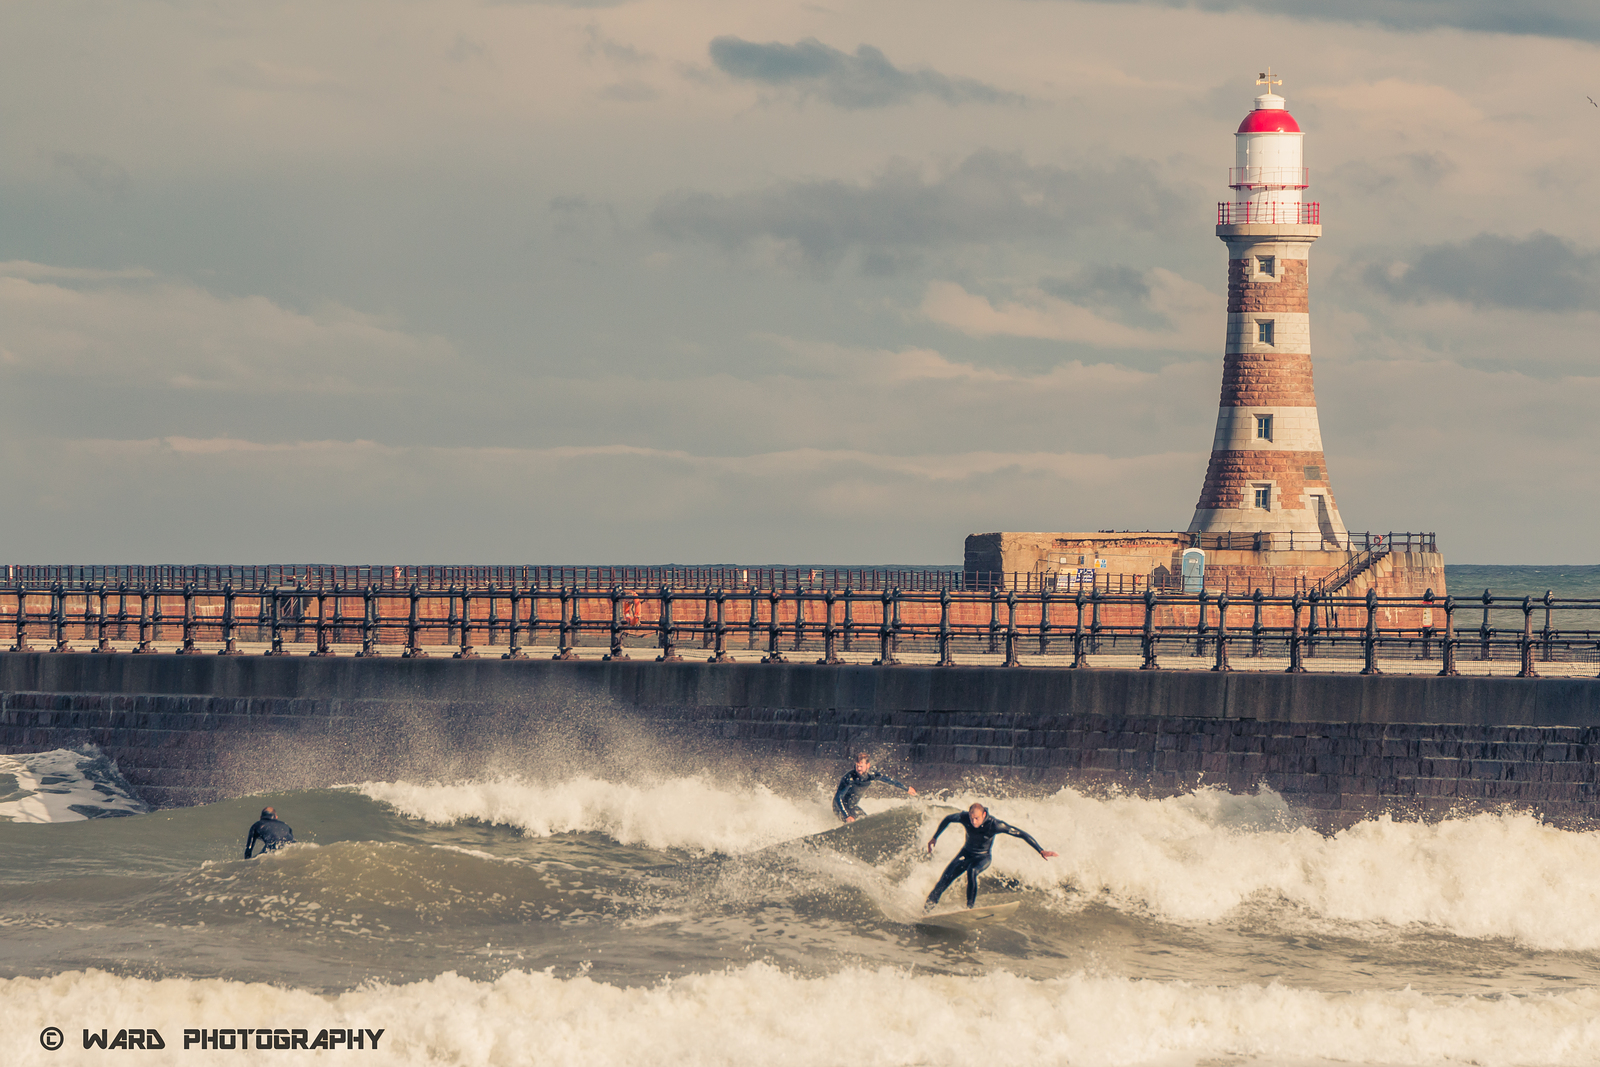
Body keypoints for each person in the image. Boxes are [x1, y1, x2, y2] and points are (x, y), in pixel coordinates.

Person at [924, 802, 1056, 910]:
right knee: (943, 880)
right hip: (965, 853)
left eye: (977, 818)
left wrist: (1040, 850)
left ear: (984, 814)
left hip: (982, 857)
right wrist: (934, 837)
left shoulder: (995, 825)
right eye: (971, 818)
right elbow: (948, 819)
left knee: (972, 871)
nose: (973, 821)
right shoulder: (965, 817)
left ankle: (969, 908)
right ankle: (925, 911)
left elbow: (1020, 833)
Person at [833, 753, 916, 822]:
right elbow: (838, 797)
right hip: (840, 807)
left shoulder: (872, 775)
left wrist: (906, 789)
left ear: (868, 765)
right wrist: (847, 816)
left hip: (852, 806)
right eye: (857, 766)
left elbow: (889, 780)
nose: (858, 769)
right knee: (853, 823)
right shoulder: (849, 778)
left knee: (866, 821)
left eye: (861, 766)